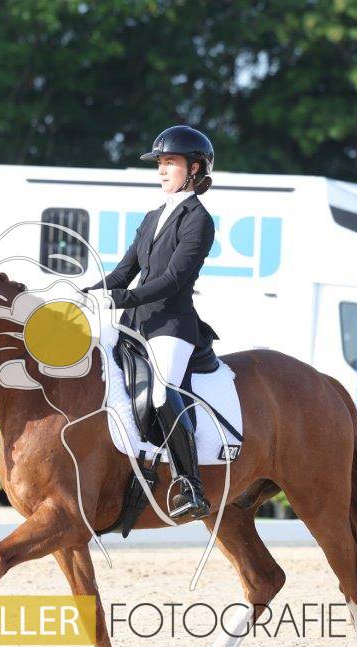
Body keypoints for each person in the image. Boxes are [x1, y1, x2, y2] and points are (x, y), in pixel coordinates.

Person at [84, 125, 219, 520]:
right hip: (135, 324)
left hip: (171, 326)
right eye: (159, 163)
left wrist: (119, 299)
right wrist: (86, 293)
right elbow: (124, 272)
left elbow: (173, 279)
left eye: (169, 163)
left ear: (194, 168)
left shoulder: (198, 220)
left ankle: (189, 484)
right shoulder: (152, 217)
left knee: (161, 392)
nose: (161, 170)